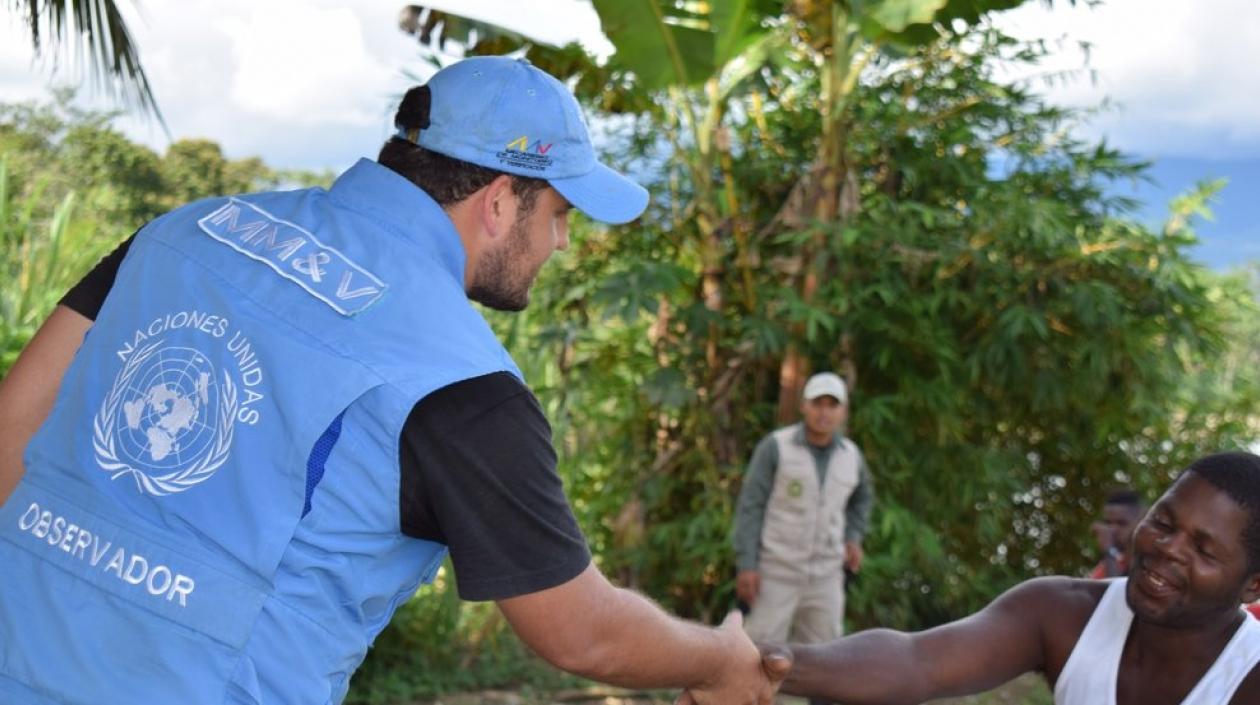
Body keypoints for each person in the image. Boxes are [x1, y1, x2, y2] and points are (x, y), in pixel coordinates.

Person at [0, 56, 786, 705]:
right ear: (501, 200)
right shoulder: (462, 381)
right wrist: (716, 657)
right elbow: (581, 629)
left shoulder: (183, 230)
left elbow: (12, 430)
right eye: (559, 212)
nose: (562, 241)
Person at [757, 451, 1260, 705]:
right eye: (1164, 523)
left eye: (1203, 549)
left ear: (1253, 584)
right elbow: (916, 660)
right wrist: (776, 666)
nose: (1166, 549)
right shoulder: (1062, 612)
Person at [731, 371, 874, 704]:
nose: (824, 412)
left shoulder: (850, 456)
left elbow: (863, 499)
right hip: (775, 571)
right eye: (817, 404)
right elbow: (750, 506)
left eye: (832, 405)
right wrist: (747, 565)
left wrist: (853, 537)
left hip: (826, 576)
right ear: (804, 407)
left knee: (827, 660)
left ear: (843, 411)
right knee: (756, 657)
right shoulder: (776, 447)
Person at [1089, 487, 1144, 578]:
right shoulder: (1107, 566)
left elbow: (1120, 590)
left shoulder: (1154, 564)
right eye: (1108, 523)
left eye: (1121, 523)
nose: (1112, 529)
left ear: (1141, 522)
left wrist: (1109, 550)